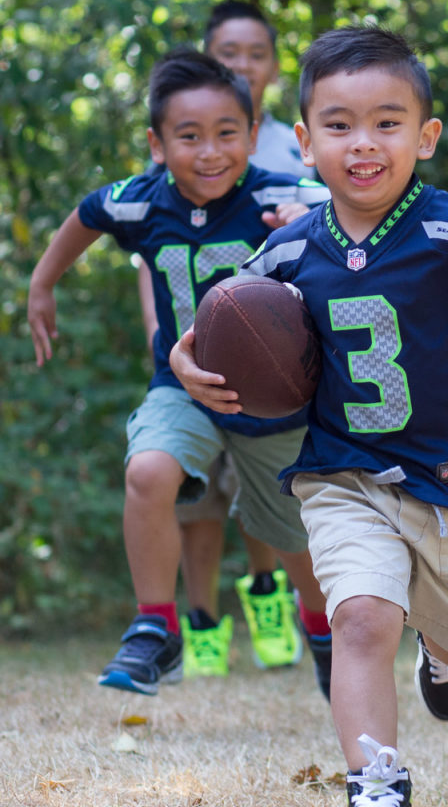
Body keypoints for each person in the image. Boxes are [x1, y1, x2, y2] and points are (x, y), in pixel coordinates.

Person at [169, 25, 448, 805]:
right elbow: (217, 323)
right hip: (342, 473)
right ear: (306, 142)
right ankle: (376, 779)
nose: (364, 142)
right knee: (362, 620)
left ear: (426, 136)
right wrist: (187, 362)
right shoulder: (290, 249)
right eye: (339, 126)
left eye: (387, 122)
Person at [28, 48, 333, 698]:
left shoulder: (286, 194)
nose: (210, 151)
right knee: (147, 472)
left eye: (227, 133)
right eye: (188, 136)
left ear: (253, 135)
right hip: (184, 382)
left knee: (292, 533)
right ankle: (153, 627)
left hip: (272, 396)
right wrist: (42, 285)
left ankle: (324, 634)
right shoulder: (139, 202)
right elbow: (86, 215)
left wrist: (318, 224)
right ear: (157, 144)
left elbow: (359, 215)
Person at [137, 0, 321, 677]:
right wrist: (164, 339)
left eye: (255, 53)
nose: (242, 63)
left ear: (273, 66)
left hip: (271, 357)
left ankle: (270, 595)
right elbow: (151, 256)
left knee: (264, 490)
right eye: (227, 52)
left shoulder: (294, 146)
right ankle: (203, 619)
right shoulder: (190, 136)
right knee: (195, 496)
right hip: (191, 356)